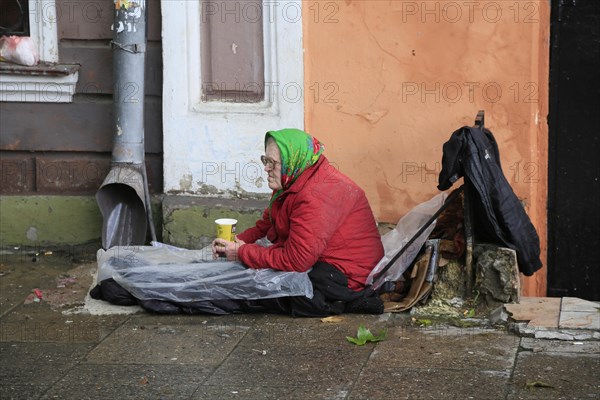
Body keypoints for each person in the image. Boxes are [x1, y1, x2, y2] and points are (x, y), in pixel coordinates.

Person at [212, 128, 385, 316]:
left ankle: (350, 301)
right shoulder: (295, 177)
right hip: (321, 261)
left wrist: (242, 252)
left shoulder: (317, 194)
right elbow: (268, 223)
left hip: (348, 277)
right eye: (265, 160)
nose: (266, 169)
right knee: (258, 274)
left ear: (292, 161)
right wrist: (234, 241)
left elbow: (297, 261)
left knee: (275, 293)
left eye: (272, 163)